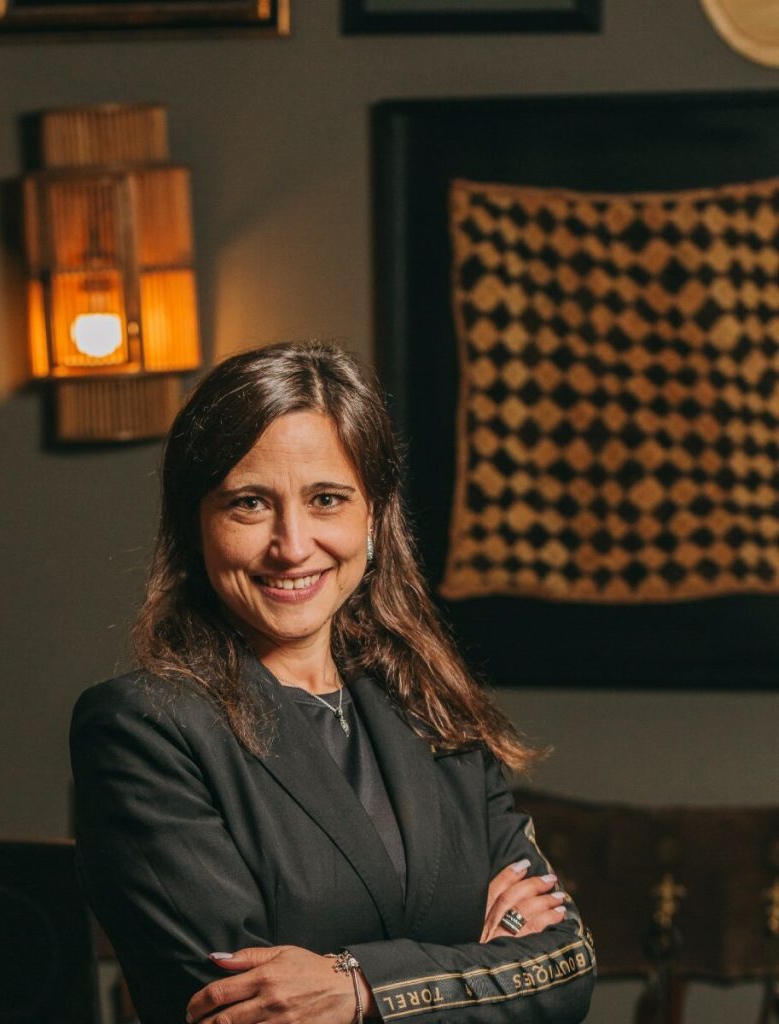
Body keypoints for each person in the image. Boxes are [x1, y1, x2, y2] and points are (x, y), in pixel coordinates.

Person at [70, 342, 596, 1024]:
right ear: (195, 525)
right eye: (250, 504)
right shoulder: (143, 729)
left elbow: (564, 968)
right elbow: (250, 1014)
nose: (292, 544)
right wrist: (477, 963)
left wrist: (359, 988)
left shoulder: (428, 704)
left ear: (372, 518)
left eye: (326, 499)